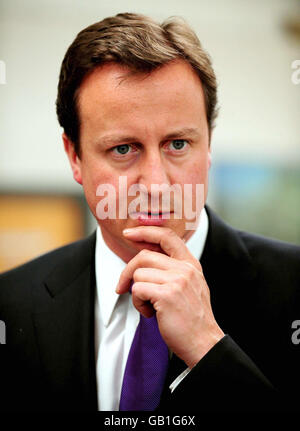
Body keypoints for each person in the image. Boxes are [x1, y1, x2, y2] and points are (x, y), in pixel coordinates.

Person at [0, 12, 299, 412]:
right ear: (74, 156)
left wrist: (209, 349)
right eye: (123, 149)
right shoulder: (10, 304)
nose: (156, 184)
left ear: (208, 144)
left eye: (177, 144)